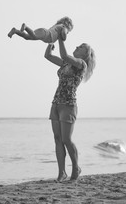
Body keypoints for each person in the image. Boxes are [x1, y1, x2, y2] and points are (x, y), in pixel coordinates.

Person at [44, 37, 96, 182]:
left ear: (85, 54)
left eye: (81, 47)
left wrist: (61, 37)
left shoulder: (81, 64)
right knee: (57, 139)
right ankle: (62, 173)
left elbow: (65, 55)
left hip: (68, 105)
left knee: (66, 139)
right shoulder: (66, 63)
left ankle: (76, 167)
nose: (77, 46)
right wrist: (51, 41)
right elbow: (47, 56)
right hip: (56, 103)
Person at [8, 17, 73, 43]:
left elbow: (52, 36)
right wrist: (64, 38)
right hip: (45, 33)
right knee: (34, 35)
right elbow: (64, 33)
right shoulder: (64, 27)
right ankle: (25, 27)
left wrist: (51, 44)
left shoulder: (57, 26)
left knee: (27, 37)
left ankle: (15, 31)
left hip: (44, 32)